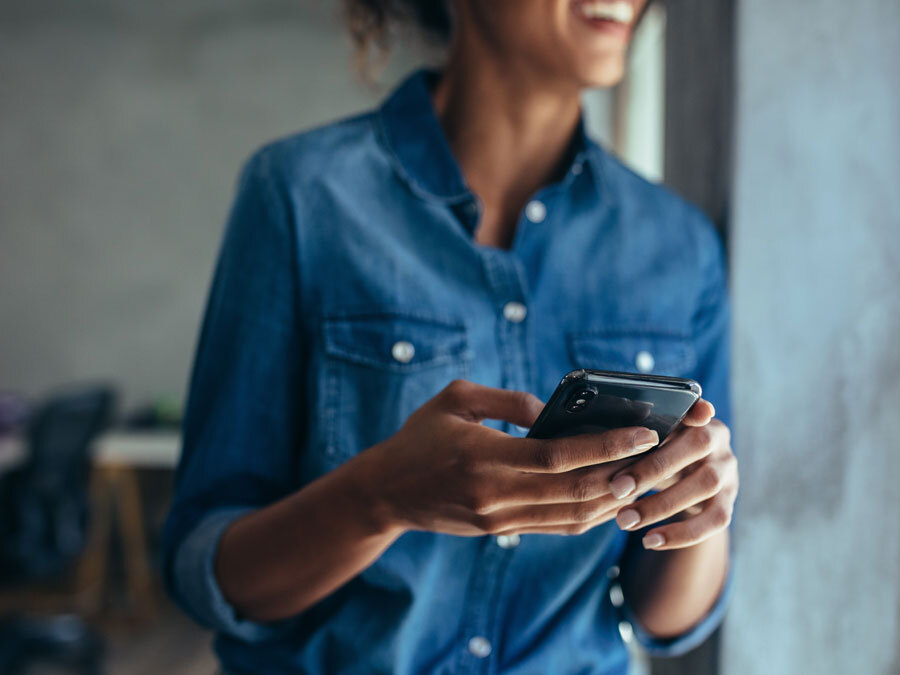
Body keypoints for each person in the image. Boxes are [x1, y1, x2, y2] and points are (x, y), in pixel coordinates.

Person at [163, 1, 739, 672]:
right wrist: (379, 496)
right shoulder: (299, 196)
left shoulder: (679, 246)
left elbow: (663, 618)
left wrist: (702, 511)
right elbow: (211, 571)